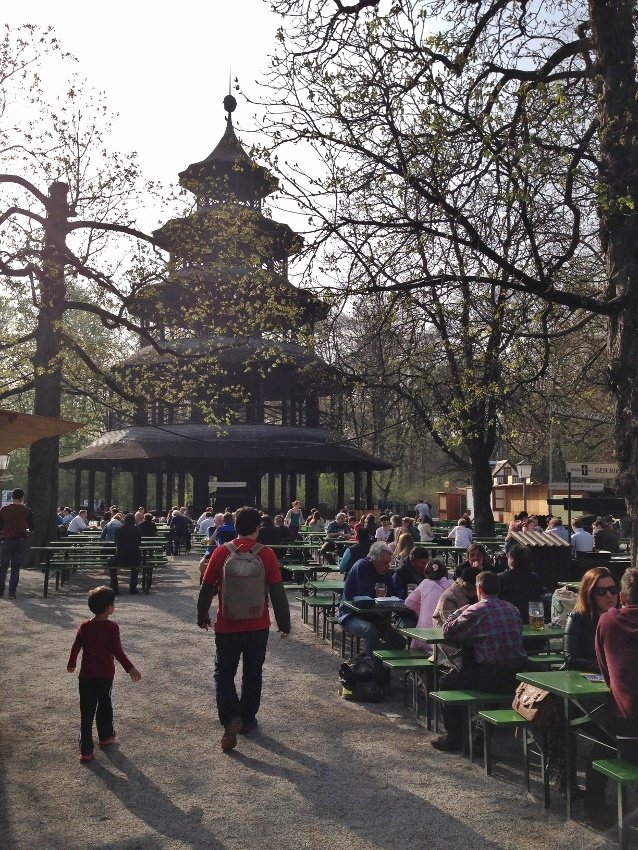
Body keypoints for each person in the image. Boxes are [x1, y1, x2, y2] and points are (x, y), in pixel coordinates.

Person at [197, 507, 291, 752]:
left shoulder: (221, 552)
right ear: (257, 529)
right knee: (253, 672)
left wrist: (202, 615)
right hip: (257, 624)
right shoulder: (266, 555)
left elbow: (207, 587)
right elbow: (278, 593)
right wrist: (284, 624)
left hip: (227, 624)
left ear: (235, 526)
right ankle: (247, 719)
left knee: (224, 673)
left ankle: (230, 717)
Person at [431, 570, 528, 751]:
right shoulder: (512, 609)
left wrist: (459, 611)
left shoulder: (477, 609)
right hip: (516, 676)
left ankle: (454, 736)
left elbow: (448, 630)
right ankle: (481, 733)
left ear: (479, 589)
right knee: (489, 673)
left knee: (447, 682)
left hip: (491, 676)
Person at [67, 585, 141, 762]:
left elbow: (76, 646)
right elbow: (118, 651)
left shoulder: (85, 626)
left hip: (86, 675)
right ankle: (105, 735)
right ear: (109, 607)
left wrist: (72, 662)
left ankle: (86, 748)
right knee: (104, 704)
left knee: (86, 710)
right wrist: (130, 668)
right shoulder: (111, 628)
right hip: (105, 675)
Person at [595, 567, 638, 762]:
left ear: (621, 597)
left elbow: (606, 673)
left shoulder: (607, 620)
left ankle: (592, 791)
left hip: (627, 723)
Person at [337, 542, 406, 659]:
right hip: (350, 615)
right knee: (372, 632)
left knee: (399, 642)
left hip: (375, 617)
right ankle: (374, 669)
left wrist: (407, 596)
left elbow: (394, 591)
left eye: (389, 562)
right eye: (385, 562)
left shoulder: (383, 571)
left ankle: (370, 658)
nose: (388, 566)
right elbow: (366, 597)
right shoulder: (362, 566)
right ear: (373, 559)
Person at [564, 567, 618, 672]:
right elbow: (570, 659)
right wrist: (607, 667)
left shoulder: (623, 618)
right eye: (601, 591)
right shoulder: (577, 618)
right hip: (586, 679)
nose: (609, 595)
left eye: (613, 590)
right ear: (589, 595)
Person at [432, 566, 481, 667]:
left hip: (471, 642)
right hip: (449, 646)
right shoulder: (448, 598)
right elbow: (452, 628)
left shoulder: (475, 596)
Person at [403, 560, 453, 647]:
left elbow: (408, 602)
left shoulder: (425, 583)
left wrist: (420, 610)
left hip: (421, 633)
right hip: (440, 635)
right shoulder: (452, 585)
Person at [497, 544, 544, 624]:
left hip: (507, 620)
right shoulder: (536, 578)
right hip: (531, 620)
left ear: (512, 560)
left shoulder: (500, 578)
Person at [0, 488, 34, 599]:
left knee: (3, 566)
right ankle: (12, 592)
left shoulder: (4, 509)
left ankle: (1, 591)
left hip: (6, 539)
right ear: (22, 497)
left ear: (12, 497)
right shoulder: (27, 510)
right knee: (15, 568)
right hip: (20, 540)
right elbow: (32, 527)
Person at [110, 513, 143, 595]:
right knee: (135, 569)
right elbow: (139, 542)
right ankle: (133, 588)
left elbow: (116, 543)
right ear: (133, 520)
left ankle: (115, 587)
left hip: (120, 557)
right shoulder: (137, 529)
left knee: (111, 565)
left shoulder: (118, 530)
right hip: (135, 557)